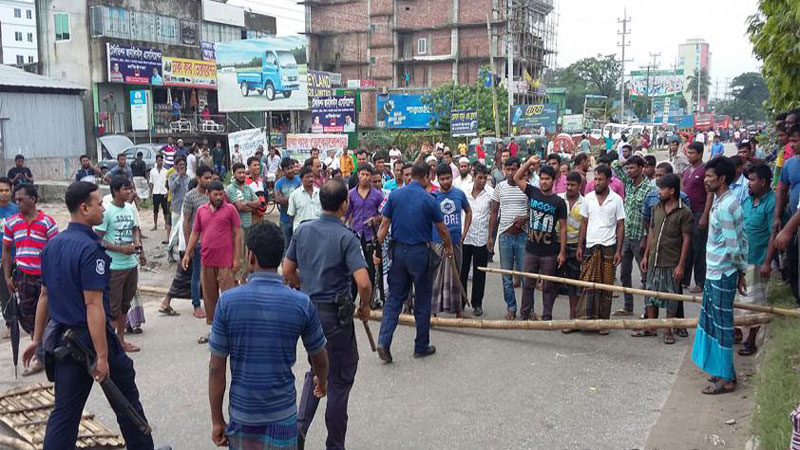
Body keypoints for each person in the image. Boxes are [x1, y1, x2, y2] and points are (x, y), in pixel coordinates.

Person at [20, 181, 166, 449]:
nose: (103, 208)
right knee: (126, 403)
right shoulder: (91, 250)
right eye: (99, 204)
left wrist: (37, 339)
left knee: (64, 415)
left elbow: (45, 296)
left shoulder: (52, 246)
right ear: (84, 208)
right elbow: (93, 306)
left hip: (64, 343)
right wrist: (102, 356)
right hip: (91, 339)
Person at [208, 221, 329, 449]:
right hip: (282, 415)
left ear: (250, 256)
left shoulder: (227, 303)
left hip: (243, 416)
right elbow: (320, 357)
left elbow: (216, 368)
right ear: (281, 256)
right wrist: (321, 382)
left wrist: (217, 420)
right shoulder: (301, 303)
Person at [282, 180, 372, 450]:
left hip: (308, 311)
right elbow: (363, 283)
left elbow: (287, 270)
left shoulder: (302, 230)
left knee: (317, 369)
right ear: (345, 204)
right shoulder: (347, 237)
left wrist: (305, 286)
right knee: (339, 380)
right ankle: (334, 444)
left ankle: (298, 431)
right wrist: (365, 306)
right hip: (335, 316)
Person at [374, 161, 454, 363]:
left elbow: (384, 225)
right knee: (423, 300)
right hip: (419, 254)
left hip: (398, 252)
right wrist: (448, 247)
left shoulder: (395, 195)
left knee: (394, 299)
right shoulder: (429, 199)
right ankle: (421, 346)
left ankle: (383, 341)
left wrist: (377, 250)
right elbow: (442, 229)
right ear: (426, 177)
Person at [692, 156, 748, 395]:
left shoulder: (725, 207)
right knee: (714, 322)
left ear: (722, 179)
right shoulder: (723, 201)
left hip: (723, 273)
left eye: (709, 176)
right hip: (717, 272)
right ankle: (721, 368)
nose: (705, 180)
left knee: (723, 325)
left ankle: (726, 378)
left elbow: (734, 246)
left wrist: (740, 272)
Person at [3, 184, 57, 375]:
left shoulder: (47, 222)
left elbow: (55, 252)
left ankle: (41, 356)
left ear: (33, 199)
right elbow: (6, 251)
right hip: (23, 277)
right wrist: (7, 277)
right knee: (27, 317)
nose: (17, 203)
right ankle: (40, 351)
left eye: (21, 199)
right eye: (16, 200)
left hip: (44, 277)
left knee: (46, 316)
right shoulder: (11, 223)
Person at [183, 181, 241, 344]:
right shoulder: (201, 211)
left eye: (221, 194)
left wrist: (237, 258)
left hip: (226, 262)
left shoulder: (230, 210)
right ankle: (215, 332)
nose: (219, 197)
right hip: (207, 260)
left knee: (229, 297)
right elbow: (195, 233)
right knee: (210, 298)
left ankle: (232, 331)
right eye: (215, 194)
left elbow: (237, 234)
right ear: (208, 194)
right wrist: (187, 253)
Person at [638, 173, 692, 343]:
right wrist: (646, 255)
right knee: (650, 293)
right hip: (654, 259)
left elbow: (686, 240)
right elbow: (651, 232)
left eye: (662, 189)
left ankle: (668, 330)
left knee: (671, 296)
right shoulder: (656, 207)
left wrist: (681, 265)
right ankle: (652, 327)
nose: (659, 192)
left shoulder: (684, 212)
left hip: (672, 260)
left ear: (672, 191)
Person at [95, 176, 146, 353]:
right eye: (126, 189)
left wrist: (137, 244)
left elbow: (135, 229)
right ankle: (107, 347)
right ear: (116, 191)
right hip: (114, 267)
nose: (130, 192)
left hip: (130, 264)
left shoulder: (130, 209)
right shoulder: (107, 212)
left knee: (125, 306)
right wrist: (120, 249)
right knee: (113, 309)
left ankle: (121, 341)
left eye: (130, 188)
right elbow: (98, 240)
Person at [513, 159, 567, 321]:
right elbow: (516, 178)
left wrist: (562, 252)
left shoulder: (559, 202)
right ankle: (525, 314)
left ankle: (547, 316)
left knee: (548, 286)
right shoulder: (533, 192)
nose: (544, 182)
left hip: (549, 252)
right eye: (542, 178)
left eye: (547, 179)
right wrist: (529, 162)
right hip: (531, 249)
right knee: (527, 284)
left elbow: (563, 228)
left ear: (553, 180)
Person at [576, 165, 625, 332]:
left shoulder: (616, 200)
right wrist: (580, 246)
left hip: (609, 247)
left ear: (609, 180)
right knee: (587, 284)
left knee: (606, 287)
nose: (596, 182)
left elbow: (620, 225)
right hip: (590, 246)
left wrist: (618, 251)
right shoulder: (588, 198)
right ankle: (585, 321)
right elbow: (584, 223)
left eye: (600, 179)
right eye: (595, 179)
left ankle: (603, 323)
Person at [735, 164, 775, 356]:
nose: (748, 184)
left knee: (753, 301)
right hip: (741, 258)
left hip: (757, 259)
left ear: (763, 182)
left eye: (752, 180)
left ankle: (750, 340)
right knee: (738, 299)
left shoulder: (771, 203)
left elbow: (774, 234)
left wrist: (767, 262)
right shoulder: (748, 201)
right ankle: (736, 332)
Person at [612, 155, 654, 316]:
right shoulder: (628, 183)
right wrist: (627, 161)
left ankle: (648, 311)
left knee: (645, 276)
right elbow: (615, 165)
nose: (629, 171)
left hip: (640, 237)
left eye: (632, 168)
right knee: (624, 274)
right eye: (628, 168)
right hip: (627, 236)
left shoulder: (649, 189)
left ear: (641, 168)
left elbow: (651, 218)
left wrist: (645, 238)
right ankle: (628, 306)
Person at [487, 157, 529, 319]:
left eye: (514, 169)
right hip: (505, 237)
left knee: (526, 276)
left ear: (520, 170)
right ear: (504, 170)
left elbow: (534, 210)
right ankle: (511, 308)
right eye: (508, 169)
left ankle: (527, 309)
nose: (511, 172)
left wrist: (525, 218)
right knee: (506, 276)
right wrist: (490, 236)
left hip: (523, 237)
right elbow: (494, 213)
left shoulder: (526, 188)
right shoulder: (500, 187)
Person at [430, 163, 472, 318]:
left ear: (452, 177)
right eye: (442, 179)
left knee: (456, 276)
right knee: (436, 277)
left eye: (448, 178)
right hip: (437, 242)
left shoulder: (459, 194)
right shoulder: (433, 197)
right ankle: (432, 311)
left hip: (455, 242)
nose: (445, 181)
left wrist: (465, 232)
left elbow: (468, 212)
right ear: (437, 179)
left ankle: (458, 311)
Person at [345, 164, 384, 302]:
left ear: (371, 177)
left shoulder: (378, 195)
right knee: (353, 269)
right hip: (356, 237)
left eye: (368, 175)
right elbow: (345, 214)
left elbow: (385, 215)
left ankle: (368, 301)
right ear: (358, 175)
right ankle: (351, 300)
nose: (365, 177)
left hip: (371, 237)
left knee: (370, 269)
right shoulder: (351, 194)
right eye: (362, 174)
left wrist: (376, 219)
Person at [459, 163, 493, 317]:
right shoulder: (463, 191)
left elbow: (493, 215)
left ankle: (477, 303)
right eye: (480, 177)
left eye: (485, 178)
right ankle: (460, 302)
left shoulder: (490, 193)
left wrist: (490, 236)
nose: (482, 181)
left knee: (479, 273)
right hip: (465, 237)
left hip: (481, 238)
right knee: (462, 271)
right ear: (473, 176)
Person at [682, 141, 714, 294]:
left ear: (700, 154)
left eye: (692, 153)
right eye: (688, 152)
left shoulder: (704, 170)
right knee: (686, 246)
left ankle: (700, 282)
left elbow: (710, 194)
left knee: (699, 248)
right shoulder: (687, 170)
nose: (689, 155)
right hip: (687, 212)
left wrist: (705, 216)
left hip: (699, 211)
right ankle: (684, 279)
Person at [226, 163, 260, 284]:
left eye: (243, 173)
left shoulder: (247, 187)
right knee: (238, 255)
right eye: (239, 173)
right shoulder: (230, 189)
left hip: (248, 225)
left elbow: (258, 203)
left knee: (247, 255)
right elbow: (239, 207)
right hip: (236, 227)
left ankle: (243, 279)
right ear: (234, 174)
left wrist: (247, 204)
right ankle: (235, 281)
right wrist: (250, 205)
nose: (242, 175)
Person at [558, 171, 584, 329]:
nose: (569, 187)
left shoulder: (585, 203)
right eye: (567, 184)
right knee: (553, 281)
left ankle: (573, 316)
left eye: (572, 185)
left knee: (573, 283)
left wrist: (580, 246)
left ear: (579, 186)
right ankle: (547, 316)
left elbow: (584, 227)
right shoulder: (559, 199)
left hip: (575, 245)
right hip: (558, 243)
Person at [0, 178, 18, 339]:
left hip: (16, 257)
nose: (4, 193)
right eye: (1, 191)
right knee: (4, 292)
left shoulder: (17, 210)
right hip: (1, 258)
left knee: (20, 289)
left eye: (6, 190)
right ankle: (9, 323)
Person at [275, 158, 302, 252]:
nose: (290, 170)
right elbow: (277, 199)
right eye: (288, 169)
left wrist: (285, 199)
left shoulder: (299, 180)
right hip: (284, 220)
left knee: (298, 245)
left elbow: (301, 198)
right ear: (283, 170)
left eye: (292, 168)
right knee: (285, 246)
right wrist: (293, 198)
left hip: (297, 219)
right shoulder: (279, 183)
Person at [288, 166, 322, 231]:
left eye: (312, 176)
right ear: (301, 179)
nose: (310, 179)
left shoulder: (320, 193)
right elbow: (291, 215)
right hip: (301, 231)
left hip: (318, 230)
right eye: (307, 177)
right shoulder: (294, 195)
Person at [167, 158, 189, 253]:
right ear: (175, 166)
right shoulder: (172, 177)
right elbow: (172, 188)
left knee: (184, 231)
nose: (182, 166)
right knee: (174, 231)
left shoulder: (188, 177)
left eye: (183, 164)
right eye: (180, 164)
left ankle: (182, 251)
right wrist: (179, 176)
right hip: (176, 208)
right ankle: (170, 250)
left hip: (186, 208)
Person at [149, 154, 170, 233]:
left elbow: (168, 183)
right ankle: (155, 224)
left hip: (164, 192)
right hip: (156, 192)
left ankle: (166, 224)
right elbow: (151, 183)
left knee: (165, 210)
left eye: (161, 160)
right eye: (158, 160)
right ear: (156, 161)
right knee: (155, 210)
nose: (160, 162)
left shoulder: (166, 171)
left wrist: (167, 192)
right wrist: (150, 193)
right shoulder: (152, 171)